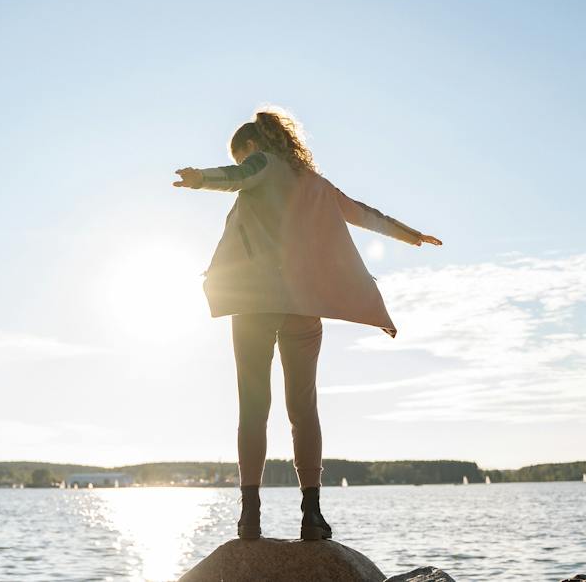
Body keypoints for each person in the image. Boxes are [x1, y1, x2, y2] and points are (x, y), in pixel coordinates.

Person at [173, 106, 441, 540]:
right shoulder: (315, 184)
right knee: (304, 411)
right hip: (303, 304)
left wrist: (199, 178)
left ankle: (250, 515)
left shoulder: (260, 164)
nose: (244, 163)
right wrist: (411, 235)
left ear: (253, 145)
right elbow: (364, 213)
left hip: (255, 303)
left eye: (242, 154)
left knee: (253, 409)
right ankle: (312, 514)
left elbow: (236, 176)